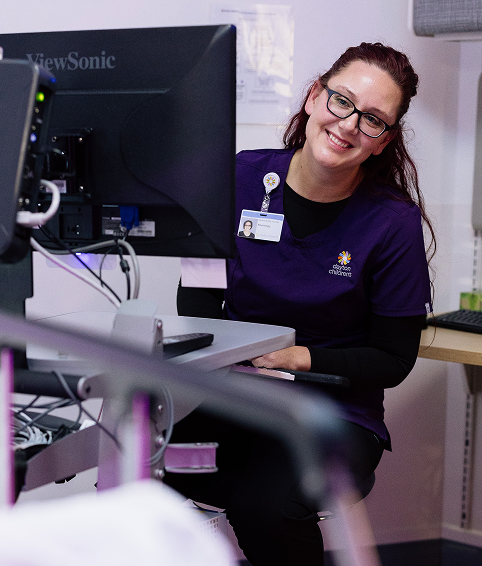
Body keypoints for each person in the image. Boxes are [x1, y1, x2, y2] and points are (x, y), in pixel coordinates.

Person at [167, 42, 435, 566]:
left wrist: (294, 358)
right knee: (137, 461)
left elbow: (393, 359)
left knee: (265, 508)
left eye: (374, 120)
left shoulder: (391, 222)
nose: (350, 124)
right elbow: (197, 306)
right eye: (341, 100)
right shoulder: (237, 178)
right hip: (232, 395)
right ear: (314, 97)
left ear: (384, 141)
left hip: (332, 413)